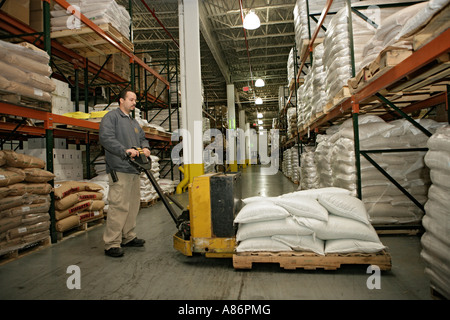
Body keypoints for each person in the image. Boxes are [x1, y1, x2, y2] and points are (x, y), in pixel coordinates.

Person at [99, 89, 151, 257]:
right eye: (131, 99)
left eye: (135, 100)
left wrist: (145, 148)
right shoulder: (111, 117)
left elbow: (143, 137)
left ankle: (128, 236)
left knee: (133, 205)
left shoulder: (133, 122)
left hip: (134, 169)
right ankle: (112, 243)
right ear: (121, 100)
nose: (134, 102)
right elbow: (106, 138)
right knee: (118, 206)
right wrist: (124, 151)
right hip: (119, 168)